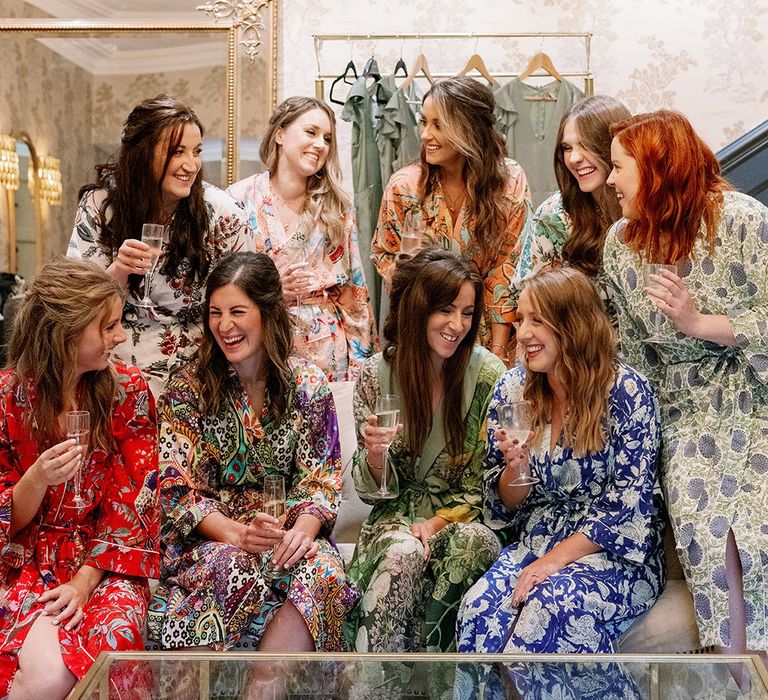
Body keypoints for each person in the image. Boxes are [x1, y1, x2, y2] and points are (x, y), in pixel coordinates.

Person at [603, 110, 768, 669]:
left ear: (655, 169)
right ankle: (735, 683)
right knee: (710, 548)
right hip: (684, 415)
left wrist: (699, 323)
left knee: (760, 540)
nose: (608, 180)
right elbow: (631, 358)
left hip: (755, 401)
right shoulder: (620, 245)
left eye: (619, 167)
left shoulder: (744, 223)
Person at [153, 251, 357, 653]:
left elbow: (322, 480)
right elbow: (176, 488)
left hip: (289, 532)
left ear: (267, 312)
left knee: (323, 574)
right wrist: (237, 534)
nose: (224, 326)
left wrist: (300, 534)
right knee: (236, 567)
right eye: (215, 312)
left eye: (237, 312)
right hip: (211, 539)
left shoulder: (309, 384)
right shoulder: (187, 389)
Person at [458, 267, 665, 656]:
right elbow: (503, 504)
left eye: (538, 320)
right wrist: (515, 470)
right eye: (520, 320)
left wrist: (551, 564)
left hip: (612, 552)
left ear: (574, 325)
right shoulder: (513, 387)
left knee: (548, 608)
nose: (522, 334)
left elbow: (628, 506)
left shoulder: (626, 392)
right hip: (538, 538)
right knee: (477, 611)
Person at [0, 259, 159, 700]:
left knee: (115, 642)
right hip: (24, 560)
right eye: (107, 327)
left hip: (105, 563)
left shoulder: (128, 391)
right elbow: (6, 520)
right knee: (45, 677)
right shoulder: (7, 397)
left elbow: (135, 506)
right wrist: (36, 478)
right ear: (65, 334)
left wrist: (83, 582)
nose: (121, 336)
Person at [345, 248, 505, 653]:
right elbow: (371, 492)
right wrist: (376, 456)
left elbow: (485, 485)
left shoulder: (488, 375)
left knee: (474, 544)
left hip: (462, 520)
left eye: (467, 313)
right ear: (418, 309)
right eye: (446, 310)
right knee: (401, 552)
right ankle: (375, 688)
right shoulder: (374, 375)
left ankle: (450, 688)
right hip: (394, 520)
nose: (457, 325)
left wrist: (435, 525)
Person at [69, 94, 254, 398]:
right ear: (142, 153)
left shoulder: (223, 214)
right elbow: (73, 307)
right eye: (176, 151)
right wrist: (116, 272)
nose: (190, 165)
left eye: (196, 152)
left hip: (199, 374)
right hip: (111, 371)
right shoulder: (101, 206)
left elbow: (248, 300)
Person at [371, 77, 532, 365]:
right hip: (424, 334)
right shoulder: (404, 188)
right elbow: (385, 254)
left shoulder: (509, 182)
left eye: (438, 125)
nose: (424, 135)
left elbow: (507, 268)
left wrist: (495, 354)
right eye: (424, 122)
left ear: (468, 129)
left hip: (491, 335)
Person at [227, 96, 377, 382]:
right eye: (311, 132)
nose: (321, 144)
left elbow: (355, 295)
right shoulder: (237, 201)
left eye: (328, 138)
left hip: (326, 355)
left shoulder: (335, 208)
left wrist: (361, 372)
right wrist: (270, 291)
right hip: (259, 346)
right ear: (280, 134)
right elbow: (219, 287)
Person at [513, 95, 631, 319]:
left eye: (585, 145)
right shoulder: (553, 217)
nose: (574, 158)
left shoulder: (644, 209)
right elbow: (526, 296)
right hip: (574, 348)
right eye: (567, 148)